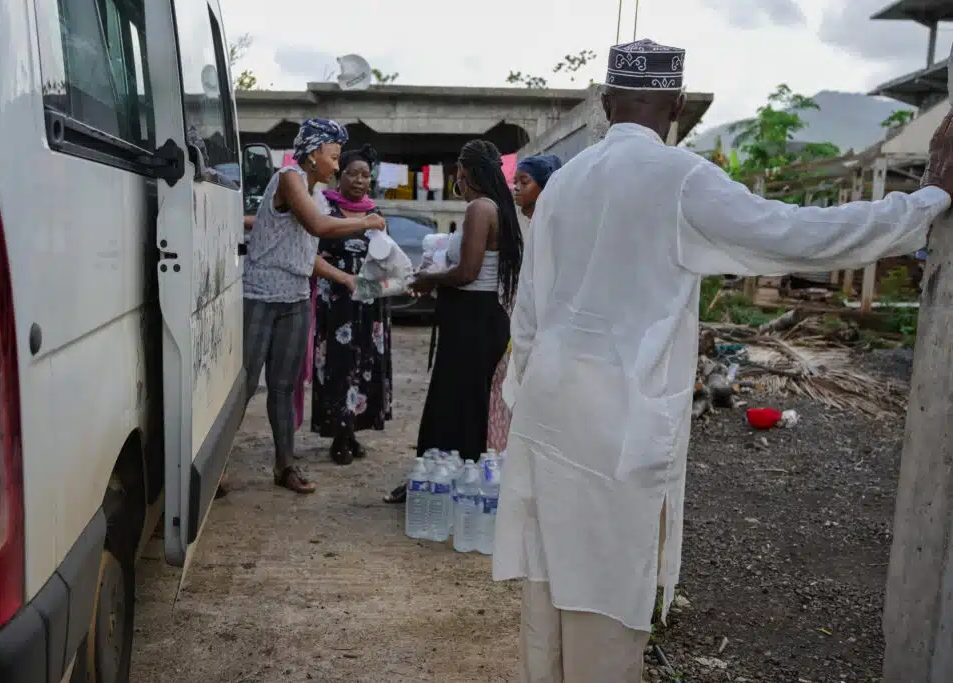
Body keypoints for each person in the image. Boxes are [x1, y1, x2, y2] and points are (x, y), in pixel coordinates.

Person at [494, 38, 953, 683]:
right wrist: (925, 201)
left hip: (551, 413)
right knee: (607, 597)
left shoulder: (563, 182)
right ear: (677, 105)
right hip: (619, 428)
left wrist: (522, 398)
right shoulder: (680, 178)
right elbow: (797, 235)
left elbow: (529, 316)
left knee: (551, 595)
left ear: (605, 103)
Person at [243, 118, 386, 494]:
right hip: (261, 295)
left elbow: (307, 254)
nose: (337, 167)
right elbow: (318, 227)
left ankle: (285, 466)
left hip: (294, 298)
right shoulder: (289, 177)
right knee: (244, 384)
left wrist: (344, 278)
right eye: (334, 157)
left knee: (282, 386)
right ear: (313, 153)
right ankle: (216, 463)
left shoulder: (316, 193)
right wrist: (366, 221)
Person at [384, 140, 523, 503]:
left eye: (459, 172)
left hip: (471, 317)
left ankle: (434, 481)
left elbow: (467, 272)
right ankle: (457, 480)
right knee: (466, 401)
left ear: (467, 171)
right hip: (482, 316)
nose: (456, 179)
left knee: (452, 402)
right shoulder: (498, 208)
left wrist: (429, 278)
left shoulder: (480, 208)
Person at [312, 144, 394, 464]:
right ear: (339, 176)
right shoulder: (325, 211)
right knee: (339, 365)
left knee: (365, 365)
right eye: (353, 174)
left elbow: (387, 254)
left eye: (365, 175)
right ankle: (338, 436)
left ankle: (353, 430)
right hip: (337, 303)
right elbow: (312, 255)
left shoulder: (376, 214)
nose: (360, 181)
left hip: (370, 304)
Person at [487, 154, 562, 453]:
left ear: (545, 186)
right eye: (514, 181)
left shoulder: (550, 229)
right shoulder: (530, 225)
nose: (516, 187)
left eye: (524, 182)